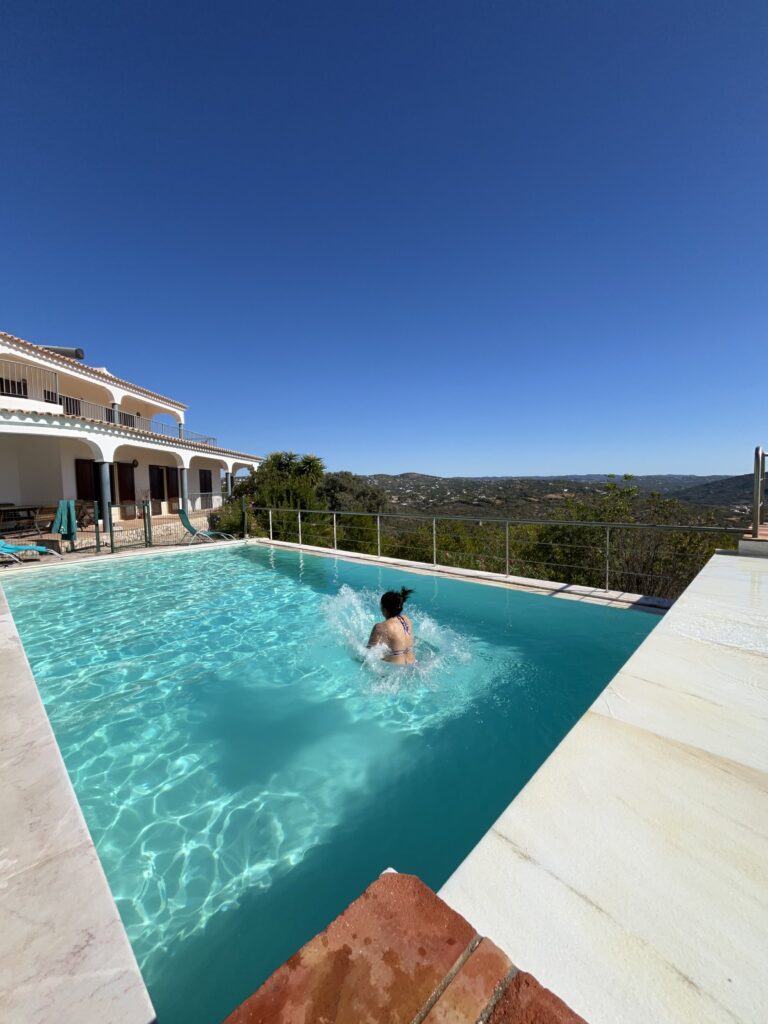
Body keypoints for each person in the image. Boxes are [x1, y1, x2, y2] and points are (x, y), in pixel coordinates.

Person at [367, 587, 416, 664]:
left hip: (394, 670)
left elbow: (368, 654)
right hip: (413, 664)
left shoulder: (380, 627)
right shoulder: (407, 620)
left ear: (384, 609)